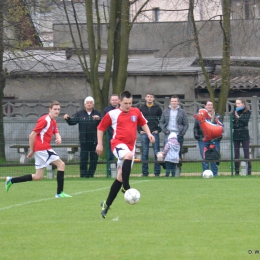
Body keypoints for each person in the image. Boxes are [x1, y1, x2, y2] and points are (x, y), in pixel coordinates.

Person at [96, 90, 155, 218]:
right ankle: (126, 187)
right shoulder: (112, 114)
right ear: (120, 102)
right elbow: (100, 128)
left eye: (130, 103)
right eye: (126, 103)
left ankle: (106, 204)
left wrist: (149, 133)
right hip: (117, 144)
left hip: (131, 146)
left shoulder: (136, 111)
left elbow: (143, 123)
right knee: (128, 157)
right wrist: (99, 144)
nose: (128, 105)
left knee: (120, 177)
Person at [5, 100, 72, 198]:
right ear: (50, 109)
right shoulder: (44, 120)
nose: (57, 111)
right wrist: (32, 150)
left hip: (41, 149)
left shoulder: (53, 121)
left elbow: (55, 131)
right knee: (61, 164)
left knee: (38, 176)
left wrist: (58, 137)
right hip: (42, 148)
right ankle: (59, 193)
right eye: (55, 109)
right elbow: (32, 135)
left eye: (58, 109)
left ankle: (11, 180)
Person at [64, 96, 101, 178]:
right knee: (83, 158)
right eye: (87, 103)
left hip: (94, 140)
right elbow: (73, 122)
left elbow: (102, 124)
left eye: (91, 103)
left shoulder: (97, 113)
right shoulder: (79, 113)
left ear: (93, 104)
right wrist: (68, 118)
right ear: (84, 104)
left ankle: (90, 174)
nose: (89, 104)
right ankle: (83, 175)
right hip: (84, 140)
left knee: (93, 159)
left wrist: (98, 119)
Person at [193, 100, 223, 176]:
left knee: (214, 157)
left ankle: (215, 173)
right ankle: (205, 173)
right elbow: (196, 128)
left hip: (214, 140)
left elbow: (221, 127)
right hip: (203, 140)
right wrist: (198, 137)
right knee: (204, 157)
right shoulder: (200, 115)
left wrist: (218, 137)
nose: (210, 106)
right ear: (205, 106)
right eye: (208, 105)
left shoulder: (217, 116)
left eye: (211, 105)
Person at [138, 93, 162, 177]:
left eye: (151, 97)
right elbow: (138, 120)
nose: (149, 98)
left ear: (153, 98)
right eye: (148, 97)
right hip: (144, 133)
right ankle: (145, 172)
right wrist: (140, 130)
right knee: (145, 152)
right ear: (145, 98)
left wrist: (158, 130)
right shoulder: (141, 108)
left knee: (157, 152)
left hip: (154, 133)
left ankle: (157, 172)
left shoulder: (158, 108)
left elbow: (161, 121)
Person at [159, 95, 189, 160]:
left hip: (178, 134)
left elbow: (186, 124)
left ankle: (178, 168)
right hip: (168, 134)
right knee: (166, 151)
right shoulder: (165, 111)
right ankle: (167, 167)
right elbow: (161, 122)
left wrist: (182, 133)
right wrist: (165, 131)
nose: (174, 103)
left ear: (178, 102)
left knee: (179, 152)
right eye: (172, 101)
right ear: (170, 102)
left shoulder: (182, 112)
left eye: (175, 101)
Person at [232, 98, 251, 175]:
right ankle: (236, 171)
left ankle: (249, 171)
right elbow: (233, 124)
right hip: (236, 134)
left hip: (244, 134)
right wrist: (239, 121)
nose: (237, 105)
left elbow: (245, 121)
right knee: (236, 154)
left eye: (239, 103)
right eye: (236, 103)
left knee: (246, 153)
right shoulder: (234, 112)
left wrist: (238, 118)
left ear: (243, 103)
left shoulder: (247, 112)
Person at [103, 94, 120, 162]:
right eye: (113, 100)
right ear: (110, 101)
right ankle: (110, 168)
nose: (114, 101)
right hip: (110, 133)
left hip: (120, 133)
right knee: (110, 150)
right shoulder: (107, 110)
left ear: (119, 101)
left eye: (116, 100)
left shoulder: (122, 109)